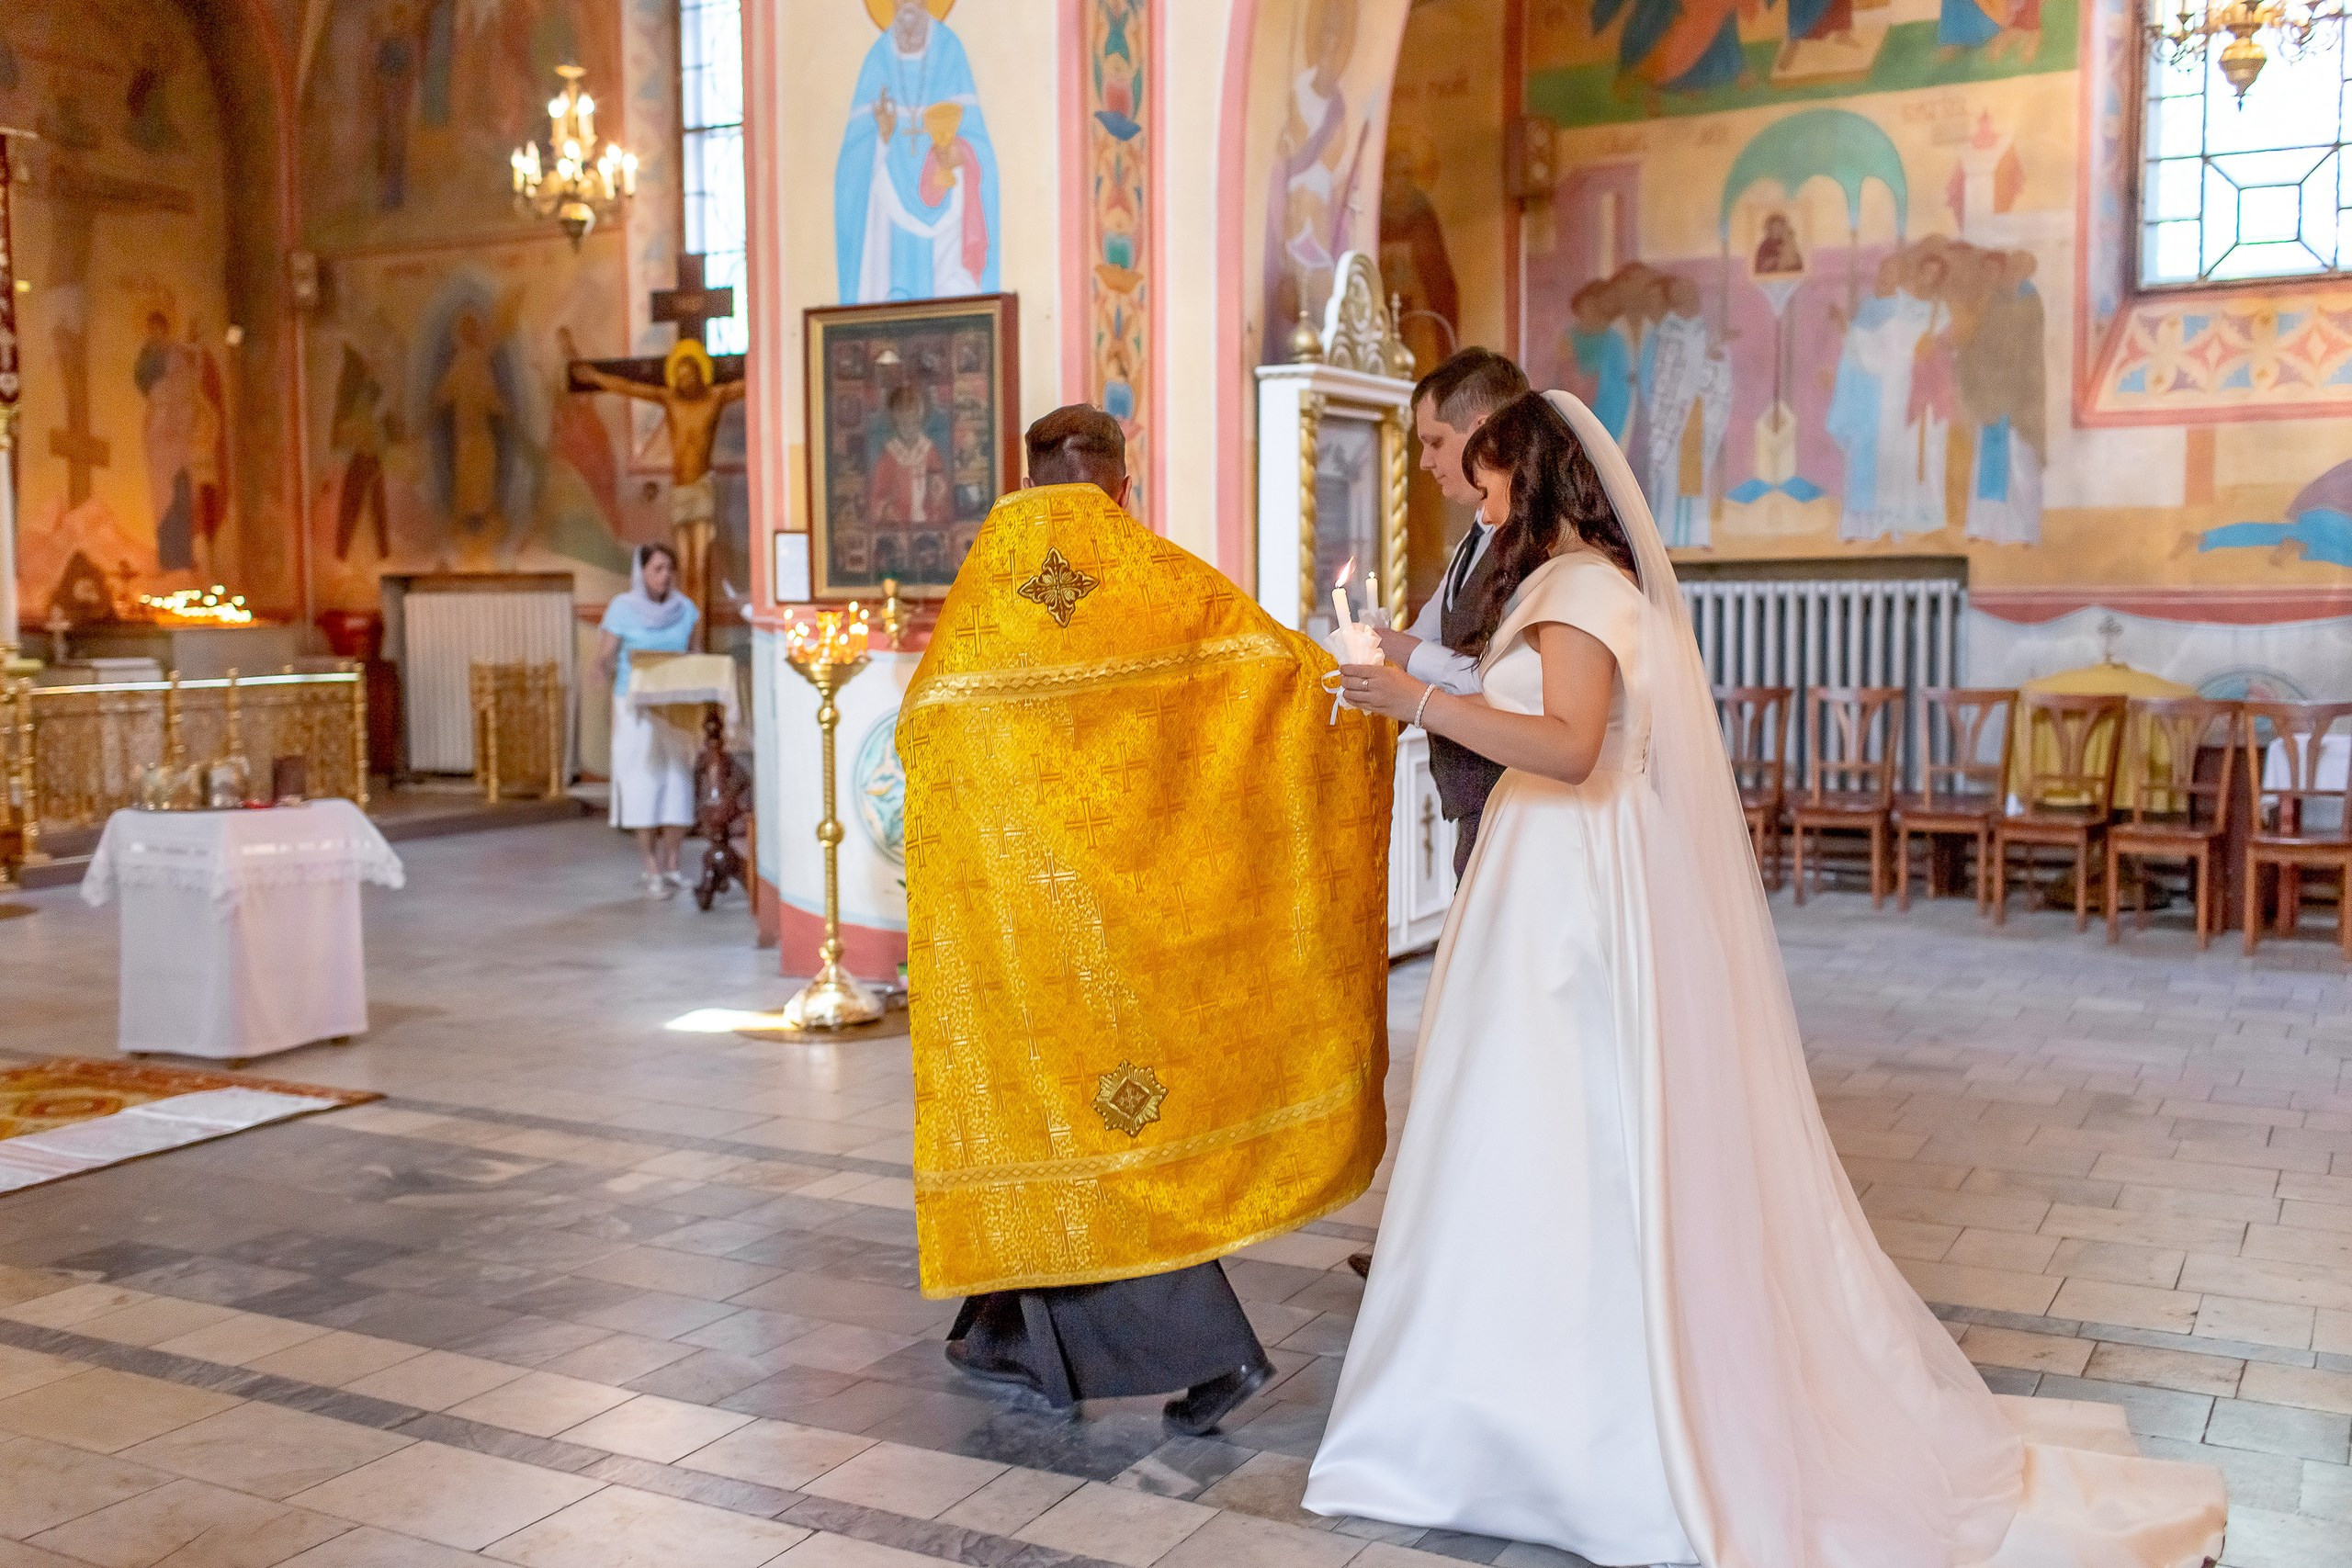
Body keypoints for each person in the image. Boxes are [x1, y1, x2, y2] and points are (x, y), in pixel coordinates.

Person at [1305, 391, 2227, 1566]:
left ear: (1525, 481)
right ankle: (1499, 1391)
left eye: (1485, 480)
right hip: (1543, 881)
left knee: (1568, 1128)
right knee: (1523, 1131)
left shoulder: (1580, 587)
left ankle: (1577, 1417)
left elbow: (1573, 745)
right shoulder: (1564, 586)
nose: (1475, 501)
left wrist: (1415, 699)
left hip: (1571, 893)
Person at [899, 405, 1392, 1438]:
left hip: (1012, 919)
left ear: (1027, 475)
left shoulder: (989, 583)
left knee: (1064, 1117)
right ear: (1122, 482)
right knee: (1098, 1115)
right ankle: (1006, 1330)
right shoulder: (1151, 574)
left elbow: (925, 733)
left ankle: (1215, 1355)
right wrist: (1362, 692)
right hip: (1122, 924)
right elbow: (1277, 683)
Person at [1374, 347, 1530, 881]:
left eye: (1435, 442)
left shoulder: (1534, 545)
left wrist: (1404, 655)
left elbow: (1513, 682)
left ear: (1483, 432)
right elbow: (1424, 633)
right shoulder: (1476, 535)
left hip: (1520, 795)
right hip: (1471, 794)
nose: (1424, 462)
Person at [597, 543, 699, 897]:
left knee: (677, 784)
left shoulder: (686, 609)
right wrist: (601, 671)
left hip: (676, 706)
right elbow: (606, 655)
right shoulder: (622, 609)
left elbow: (695, 654)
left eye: (669, 567)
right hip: (635, 707)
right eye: (657, 568)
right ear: (641, 572)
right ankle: (650, 868)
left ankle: (672, 865)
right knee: (642, 783)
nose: (665, 575)